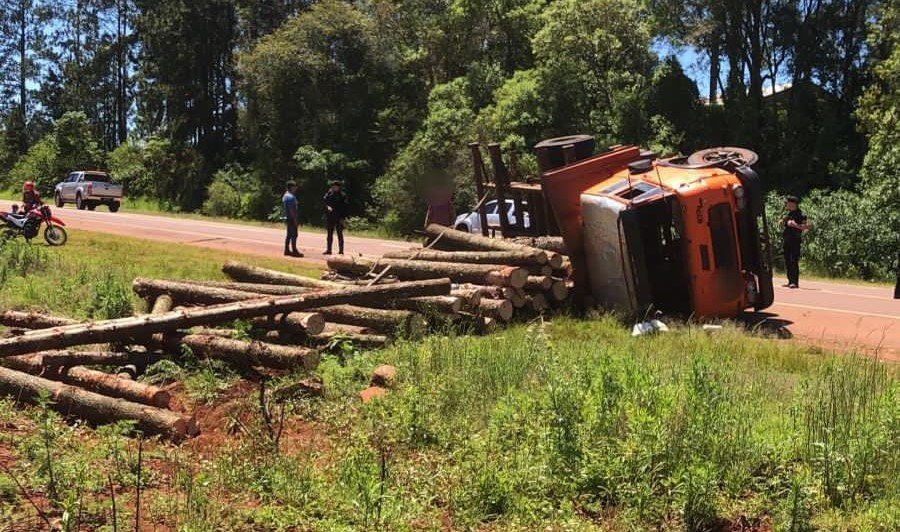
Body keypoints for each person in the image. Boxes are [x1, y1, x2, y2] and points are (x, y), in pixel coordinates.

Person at [780, 195, 809, 289]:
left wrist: (795, 225)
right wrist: (782, 222)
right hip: (787, 240)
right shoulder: (788, 214)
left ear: (792, 203)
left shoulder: (801, 214)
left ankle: (794, 282)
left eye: (787, 202)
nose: (786, 204)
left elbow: (806, 227)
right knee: (787, 260)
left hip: (795, 240)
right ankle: (789, 281)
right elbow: (784, 225)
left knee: (793, 261)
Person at [323, 180, 347, 255]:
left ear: (338, 187)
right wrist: (327, 207)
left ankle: (341, 250)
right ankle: (329, 250)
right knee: (329, 234)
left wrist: (343, 218)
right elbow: (324, 202)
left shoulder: (342, 195)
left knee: (339, 234)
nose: (333, 187)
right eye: (332, 186)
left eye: (335, 186)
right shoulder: (329, 194)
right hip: (330, 217)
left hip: (339, 217)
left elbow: (345, 207)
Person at [282, 180, 303, 257]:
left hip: (287, 217)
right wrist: (295, 220)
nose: (296, 188)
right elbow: (292, 210)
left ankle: (287, 250)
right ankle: (294, 250)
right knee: (294, 234)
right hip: (291, 218)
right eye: (294, 187)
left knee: (289, 235)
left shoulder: (285, 195)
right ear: (291, 188)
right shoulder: (290, 197)